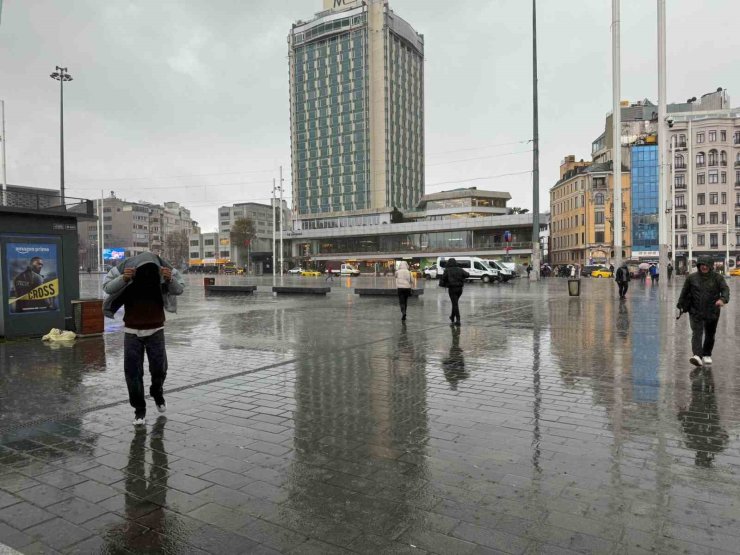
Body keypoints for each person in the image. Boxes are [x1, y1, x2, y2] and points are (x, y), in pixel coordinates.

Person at [103, 253, 185, 426]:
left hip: (156, 329)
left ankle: (157, 392)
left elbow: (179, 289)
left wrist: (170, 280)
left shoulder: (163, 269)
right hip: (132, 331)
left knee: (159, 369)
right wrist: (124, 279)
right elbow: (107, 287)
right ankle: (139, 410)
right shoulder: (126, 269)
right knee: (133, 373)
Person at [677, 257, 730, 367]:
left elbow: (725, 289)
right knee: (697, 332)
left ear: (711, 266)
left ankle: (706, 354)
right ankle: (697, 355)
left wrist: (723, 299)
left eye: (707, 265)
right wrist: (680, 304)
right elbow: (684, 292)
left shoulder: (717, 278)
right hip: (695, 310)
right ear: (698, 265)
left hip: (712, 310)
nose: (704, 267)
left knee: (710, 333)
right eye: (702, 264)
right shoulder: (691, 278)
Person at [439, 258, 469, 326]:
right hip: (460, 289)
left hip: (452, 289)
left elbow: (443, 278)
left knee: (455, 304)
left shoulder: (447, 270)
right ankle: (452, 316)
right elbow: (467, 274)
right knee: (455, 303)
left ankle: (458, 320)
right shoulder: (459, 269)